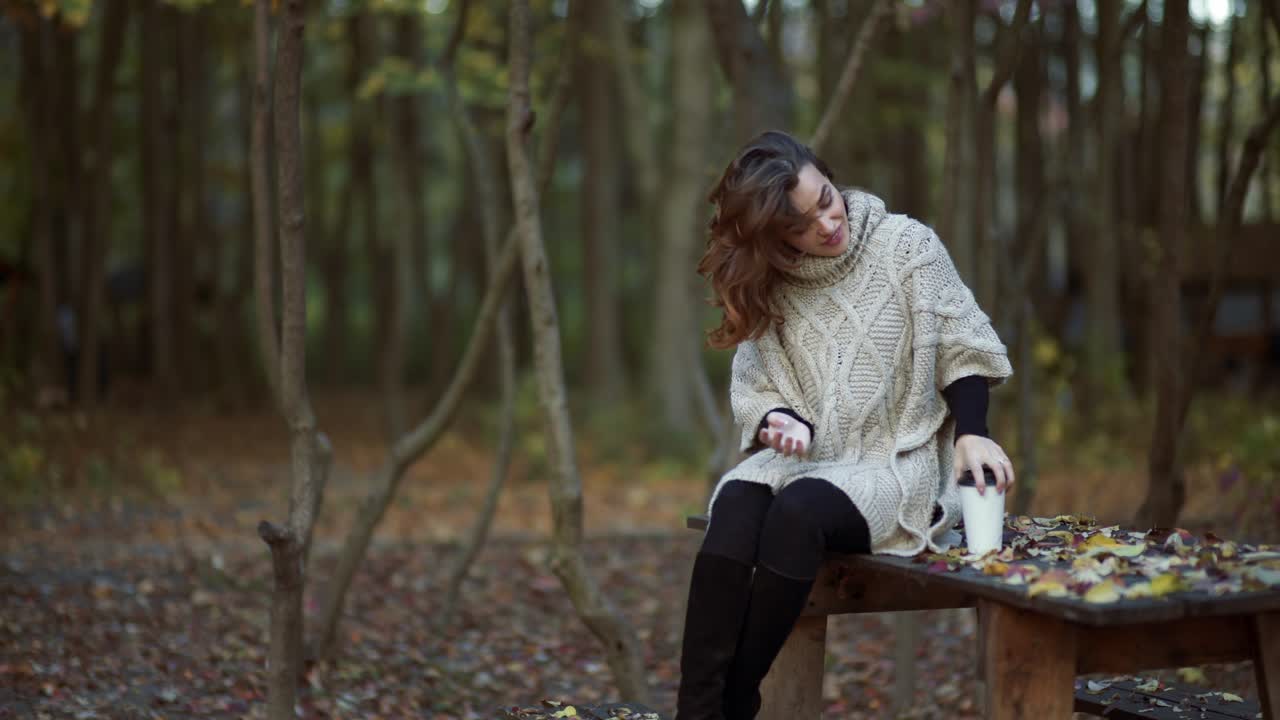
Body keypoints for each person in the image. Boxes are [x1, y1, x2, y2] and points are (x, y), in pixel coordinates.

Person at [675, 131, 1015, 720]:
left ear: (830, 176)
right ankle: (697, 708)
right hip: (805, 459)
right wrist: (778, 421)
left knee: (798, 512)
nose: (827, 224)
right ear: (777, 239)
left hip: (893, 462)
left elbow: (962, 347)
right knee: (733, 505)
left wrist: (972, 431)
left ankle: (734, 697)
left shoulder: (907, 246)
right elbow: (758, 387)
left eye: (826, 199)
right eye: (803, 226)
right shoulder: (773, 284)